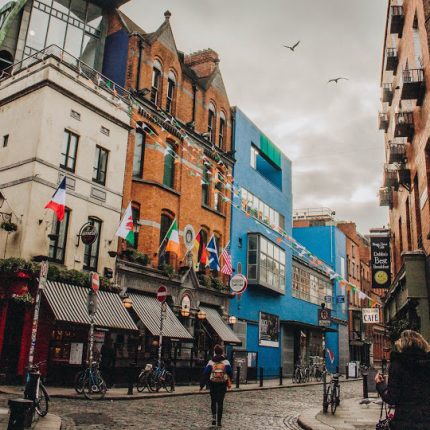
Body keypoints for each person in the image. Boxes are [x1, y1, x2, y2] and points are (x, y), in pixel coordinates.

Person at [375, 329, 430, 430]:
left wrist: (380, 384)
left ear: (402, 344)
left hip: (404, 421)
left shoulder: (398, 364)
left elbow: (391, 398)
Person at [200, 344, 233, 427]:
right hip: (222, 384)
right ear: (222, 352)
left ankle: (214, 418)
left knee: (213, 401)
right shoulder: (226, 362)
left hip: (213, 384)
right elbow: (230, 373)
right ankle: (219, 421)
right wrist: (229, 380)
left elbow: (205, 373)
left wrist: (202, 385)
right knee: (220, 402)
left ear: (215, 352)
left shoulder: (211, 362)